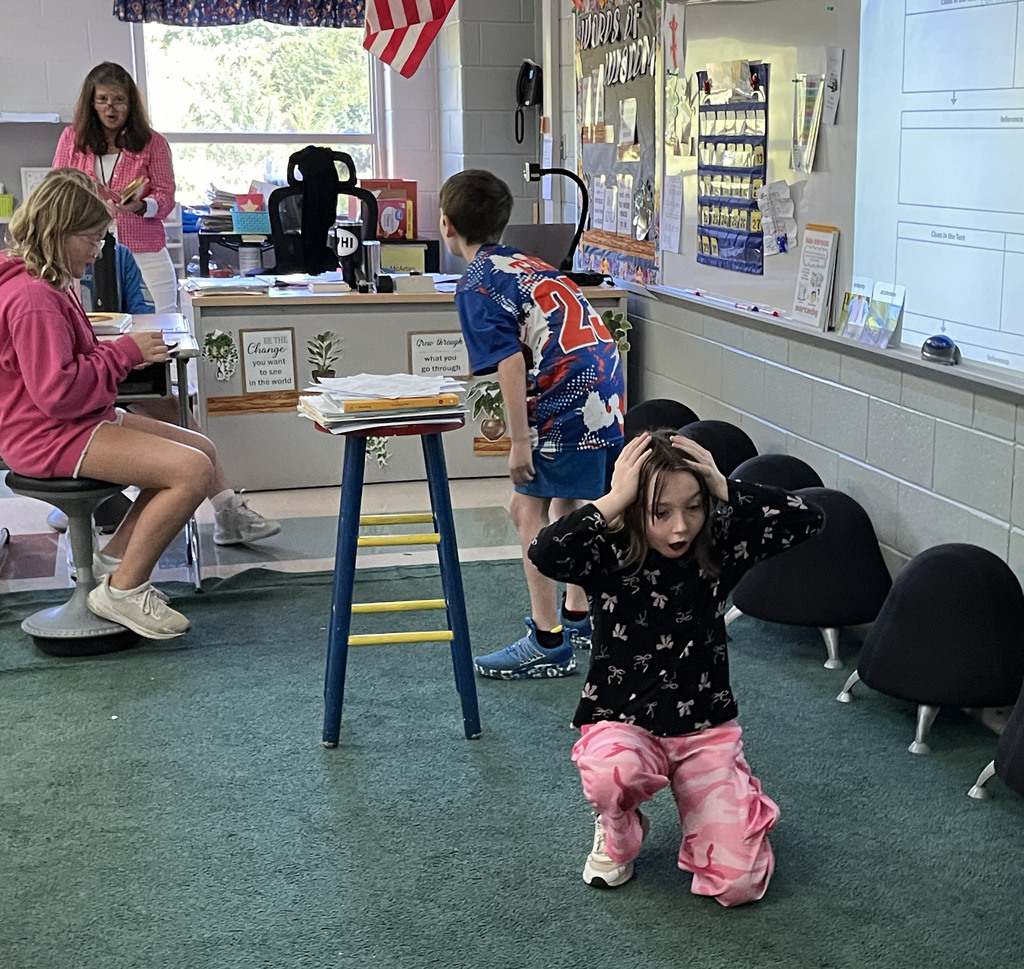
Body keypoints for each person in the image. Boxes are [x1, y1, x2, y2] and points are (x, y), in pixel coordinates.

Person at [529, 430, 825, 901]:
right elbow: (545, 551)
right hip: (621, 721)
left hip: (702, 725)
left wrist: (724, 485)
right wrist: (615, 498)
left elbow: (807, 519)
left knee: (740, 886)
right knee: (614, 773)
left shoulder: (718, 545)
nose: (680, 528)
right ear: (634, 510)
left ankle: (728, 800)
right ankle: (615, 822)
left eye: (694, 507)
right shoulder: (608, 550)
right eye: (660, 513)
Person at [0, 168, 217, 639]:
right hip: (50, 435)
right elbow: (58, 394)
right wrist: (125, 353)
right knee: (191, 472)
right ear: (59, 233)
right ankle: (123, 590)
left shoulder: (48, 283)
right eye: (93, 239)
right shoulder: (35, 297)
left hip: (72, 422)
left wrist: (116, 355)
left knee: (202, 451)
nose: (100, 251)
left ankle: (112, 563)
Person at [439, 169, 625, 679]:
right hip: (606, 385)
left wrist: (520, 441)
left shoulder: (477, 283)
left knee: (526, 509)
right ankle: (579, 614)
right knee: (568, 502)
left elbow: (511, 364)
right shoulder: (527, 262)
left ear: (446, 224)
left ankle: (548, 640)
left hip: (567, 392)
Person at [77, 225, 281, 547]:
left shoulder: (120, 257)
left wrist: (129, 347)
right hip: (79, 392)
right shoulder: (44, 287)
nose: (97, 251)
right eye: (91, 239)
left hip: (113, 370)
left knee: (171, 405)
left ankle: (227, 509)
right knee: (173, 461)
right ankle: (90, 535)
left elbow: (144, 316)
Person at [53, 61, 178, 314]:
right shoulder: (72, 138)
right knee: (94, 331)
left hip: (145, 253)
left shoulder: (153, 143)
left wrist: (141, 206)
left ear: (130, 104)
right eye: (102, 99)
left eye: (119, 100)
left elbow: (166, 197)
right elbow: (57, 190)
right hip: (84, 255)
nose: (110, 108)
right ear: (91, 102)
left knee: (159, 329)